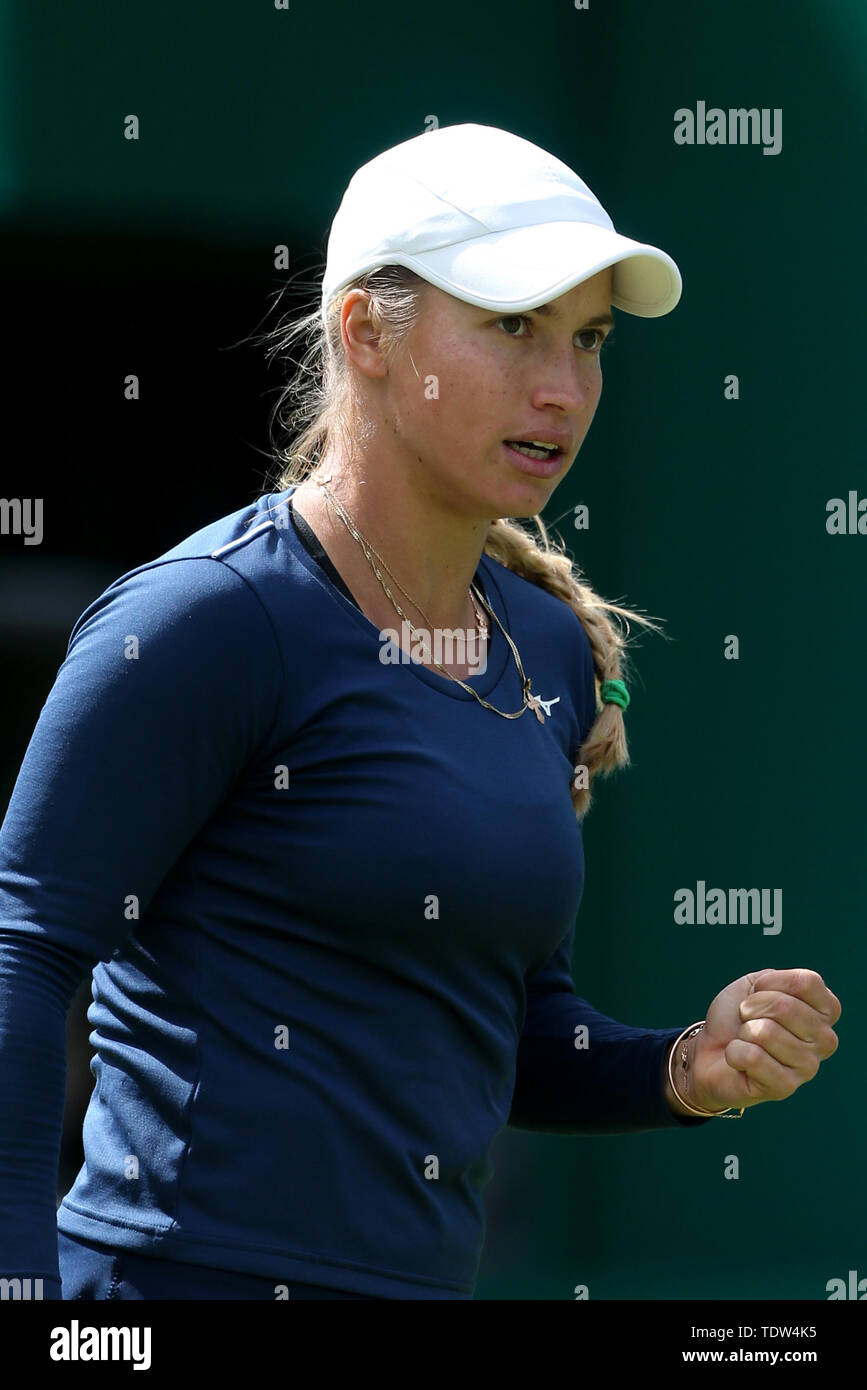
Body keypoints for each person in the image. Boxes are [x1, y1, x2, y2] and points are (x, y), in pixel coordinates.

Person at [0, 123, 840, 1302]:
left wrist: (683, 1070)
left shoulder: (545, 646)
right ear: (366, 335)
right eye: (513, 327)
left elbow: (510, 1024)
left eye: (588, 338)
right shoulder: (206, 620)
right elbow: (25, 957)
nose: (564, 387)